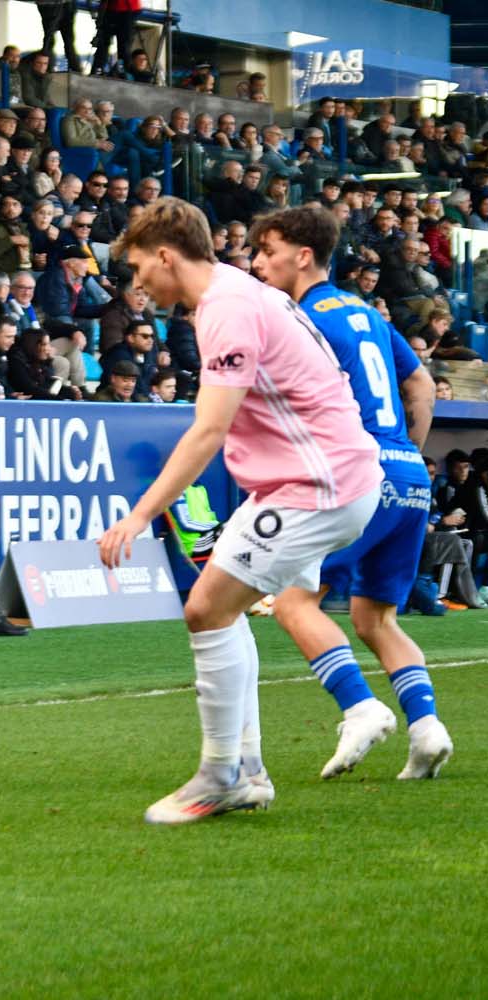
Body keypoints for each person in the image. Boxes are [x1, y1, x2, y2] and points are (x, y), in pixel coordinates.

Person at [98, 198, 384, 825]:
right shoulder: (235, 291)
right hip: (312, 479)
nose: (138, 281)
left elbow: (208, 430)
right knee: (219, 612)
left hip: (318, 483)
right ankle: (245, 771)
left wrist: (140, 516)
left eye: (141, 265)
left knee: (207, 607)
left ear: (168, 255)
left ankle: (222, 773)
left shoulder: (227, 307)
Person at [250, 205, 451, 781]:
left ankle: (359, 708)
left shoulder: (300, 319)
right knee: (375, 618)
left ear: (303, 256)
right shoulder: (365, 311)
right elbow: (419, 384)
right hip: (408, 474)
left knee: (292, 599)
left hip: (359, 474)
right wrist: (406, 450)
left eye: (269, 251)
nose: (260, 263)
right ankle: (427, 727)